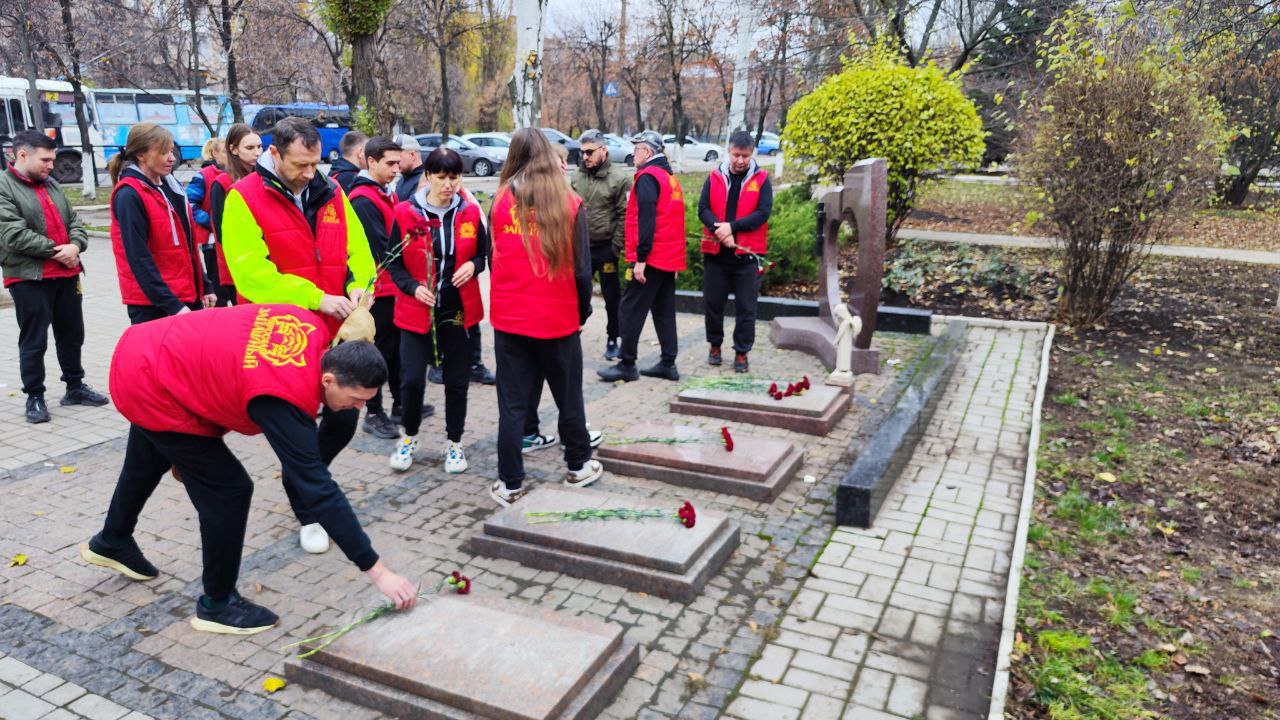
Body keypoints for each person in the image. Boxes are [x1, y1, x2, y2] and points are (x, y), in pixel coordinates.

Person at [78, 305, 417, 634]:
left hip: (153, 350)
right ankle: (217, 604)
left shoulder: (308, 324)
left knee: (148, 457)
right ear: (328, 379)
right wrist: (378, 571)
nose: (360, 408)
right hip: (151, 380)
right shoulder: (282, 394)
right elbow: (317, 488)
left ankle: (112, 540)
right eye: (357, 399)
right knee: (228, 490)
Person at [219, 117, 375, 554]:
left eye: (315, 163)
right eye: (300, 165)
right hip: (279, 336)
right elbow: (251, 275)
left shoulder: (331, 192)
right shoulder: (242, 199)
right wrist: (315, 297)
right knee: (298, 427)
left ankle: (304, 478)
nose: (311, 173)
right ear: (274, 154)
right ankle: (308, 509)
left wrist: (361, 283)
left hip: (330, 331)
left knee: (344, 416)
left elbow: (358, 250)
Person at [488, 128, 602, 506]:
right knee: (569, 396)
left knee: (512, 404)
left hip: (511, 320)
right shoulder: (570, 203)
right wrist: (581, 311)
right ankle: (578, 465)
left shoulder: (500, 200)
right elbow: (584, 272)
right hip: (557, 320)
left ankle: (509, 483)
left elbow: (494, 259)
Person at [387, 148, 485, 474]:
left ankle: (454, 443)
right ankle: (410, 435)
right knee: (412, 380)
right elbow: (393, 264)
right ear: (427, 176)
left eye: (453, 177)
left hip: (455, 310)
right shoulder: (405, 213)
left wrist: (473, 265)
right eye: (441, 177)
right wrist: (413, 287)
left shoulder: (470, 213)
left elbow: (483, 255)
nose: (447, 184)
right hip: (416, 310)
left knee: (457, 380)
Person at [0, 131, 109, 424]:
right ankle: (34, 395)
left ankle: (75, 386)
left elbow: (74, 220)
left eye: (53, 159)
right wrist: (57, 251)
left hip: (66, 273)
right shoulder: (3, 187)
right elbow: (11, 234)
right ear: (22, 155)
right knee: (34, 340)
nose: (51, 165)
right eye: (45, 159)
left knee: (72, 334)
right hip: (29, 277)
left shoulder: (52, 184)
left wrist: (76, 245)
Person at [347, 135, 430, 439]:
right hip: (378, 290)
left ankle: (400, 404)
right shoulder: (363, 199)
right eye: (390, 163)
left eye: (398, 162)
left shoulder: (384, 193)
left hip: (392, 287)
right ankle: (373, 411)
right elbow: (382, 249)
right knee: (378, 353)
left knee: (395, 353)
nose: (397, 169)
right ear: (370, 162)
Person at [597, 130, 686, 383]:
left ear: (647, 152)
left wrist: (641, 260)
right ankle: (668, 362)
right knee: (663, 309)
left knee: (629, 308)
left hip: (652, 257)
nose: (633, 153)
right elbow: (673, 220)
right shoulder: (669, 178)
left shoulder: (647, 177)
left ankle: (627, 364)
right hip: (668, 257)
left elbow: (647, 221)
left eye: (636, 149)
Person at [107, 123, 216, 325]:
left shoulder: (170, 187)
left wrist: (205, 285)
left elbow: (187, 245)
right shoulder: (129, 195)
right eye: (164, 152)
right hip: (154, 304)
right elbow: (138, 258)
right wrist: (172, 305)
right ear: (141, 155)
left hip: (184, 295)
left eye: (172, 151)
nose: (172, 158)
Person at [698, 131, 774, 374]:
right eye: (736, 155)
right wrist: (720, 230)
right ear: (728, 151)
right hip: (716, 254)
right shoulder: (714, 176)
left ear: (752, 154)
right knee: (713, 304)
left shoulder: (761, 180)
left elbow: (763, 213)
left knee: (746, 308)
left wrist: (733, 227)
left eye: (745, 155)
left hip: (747, 257)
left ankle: (741, 352)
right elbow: (703, 208)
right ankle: (715, 346)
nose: (740, 160)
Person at [571, 129, 631, 361]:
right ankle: (572, 333)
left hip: (606, 249)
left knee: (612, 297)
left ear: (603, 150)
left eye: (589, 152)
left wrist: (615, 248)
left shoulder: (619, 179)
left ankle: (613, 338)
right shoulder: (576, 177)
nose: (585, 157)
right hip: (581, 249)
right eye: (582, 152)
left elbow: (624, 215)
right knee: (576, 293)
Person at [208, 123, 264, 304]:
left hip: (268, 262)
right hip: (240, 265)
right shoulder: (222, 183)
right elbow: (222, 233)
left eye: (259, 147)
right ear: (233, 149)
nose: (257, 152)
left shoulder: (265, 179)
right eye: (250, 148)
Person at [187, 137, 229, 306]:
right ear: (215, 153)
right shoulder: (203, 177)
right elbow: (190, 204)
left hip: (234, 239)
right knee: (219, 290)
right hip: (213, 241)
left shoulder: (238, 173)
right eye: (225, 152)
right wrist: (211, 221)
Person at [393, 134, 425, 202]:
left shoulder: (423, 181)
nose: (395, 161)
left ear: (412, 155)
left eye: (398, 157)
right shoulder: (403, 178)